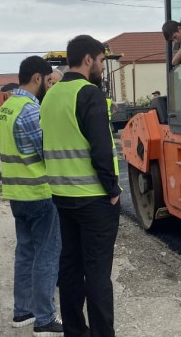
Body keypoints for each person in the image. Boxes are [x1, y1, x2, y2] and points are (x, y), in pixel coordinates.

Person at [40, 35, 121, 337]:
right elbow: (101, 149)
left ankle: (75, 331)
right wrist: (113, 191)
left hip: (62, 196)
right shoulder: (89, 94)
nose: (102, 66)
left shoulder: (50, 96)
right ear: (88, 59)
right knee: (98, 275)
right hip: (94, 200)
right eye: (101, 60)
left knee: (70, 269)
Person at [0, 55, 63, 336]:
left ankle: (23, 311)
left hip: (16, 193)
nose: (49, 86)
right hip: (39, 191)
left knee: (25, 252)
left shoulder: (8, 106)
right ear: (37, 78)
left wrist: (17, 156)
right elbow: (46, 149)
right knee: (46, 254)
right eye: (48, 81)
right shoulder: (32, 110)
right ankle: (45, 318)